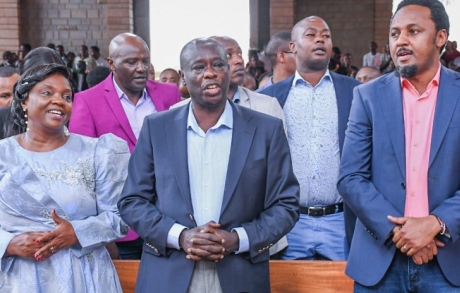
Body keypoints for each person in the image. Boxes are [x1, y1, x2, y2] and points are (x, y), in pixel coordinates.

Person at [338, 1, 460, 291]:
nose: (401, 40)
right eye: (395, 33)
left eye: (414, 31)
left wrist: (437, 223)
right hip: (381, 258)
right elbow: (351, 177)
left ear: (440, 38)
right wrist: (400, 232)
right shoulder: (367, 97)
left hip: (450, 259)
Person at [118, 37, 299, 293]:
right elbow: (132, 201)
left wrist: (237, 239)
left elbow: (286, 205)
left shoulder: (265, 129)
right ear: (183, 76)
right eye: (199, 67)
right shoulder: (157, 127)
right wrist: (180, 236)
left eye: (218, 64)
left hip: (239, 271)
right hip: (170, 272)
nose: (210, 73)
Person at [0, 63, 129, 292]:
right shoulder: (3, 154)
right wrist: (8, 244)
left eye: (66, 96)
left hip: (85, 276)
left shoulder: (99, 152)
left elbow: (120, 218)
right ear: (24, 102)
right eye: (47, 93)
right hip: (20, 278)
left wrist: (77, 232)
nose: (59, 100)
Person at [69, 33, 181, 259]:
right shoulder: (88, 100)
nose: (142, 68)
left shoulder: (169, 94)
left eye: (145, 61)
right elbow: (81, 171)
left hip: (170, 220)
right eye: (132, 62)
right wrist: (99, 232)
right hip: (120, 226)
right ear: (111, 64)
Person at [260, 16, 361, 260]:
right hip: (290, 222)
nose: (320, 39)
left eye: (326, 36)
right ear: (292, 47)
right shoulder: (269, 98)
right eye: (311, 34)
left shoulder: (356, 92)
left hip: (340, 221)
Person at [172, 36, 287, 137]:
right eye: (228, 55)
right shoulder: (176, 114)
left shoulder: (267, 107)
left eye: (240, 54)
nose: (239, 60)